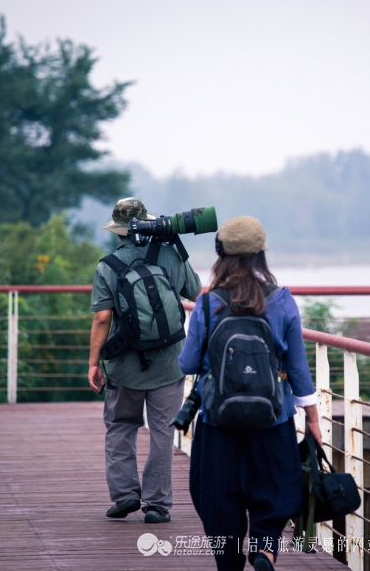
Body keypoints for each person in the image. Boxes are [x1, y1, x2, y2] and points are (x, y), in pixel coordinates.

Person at [179, 215, 323, 571]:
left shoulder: (209, 303)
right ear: (261, 254)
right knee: (274, 492)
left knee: (218, 499)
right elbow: (299, 367)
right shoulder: (282, 300)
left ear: (220, 254)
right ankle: (264, 552)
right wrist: (313, 416)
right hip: (272, 420)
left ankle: (229, 564)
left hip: (217, 421)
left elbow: (187, 363)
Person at [87, 197, 202, 524]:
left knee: (121, 426)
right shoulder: (168, 254)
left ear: (118, 230)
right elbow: (196, 292)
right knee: (164, 432)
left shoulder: (108, 265)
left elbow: (102, 319)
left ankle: (125, 495)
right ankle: (157, 505)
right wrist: (175, 249)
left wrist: (94, 362)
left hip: (125, 365)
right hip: (169, 364)